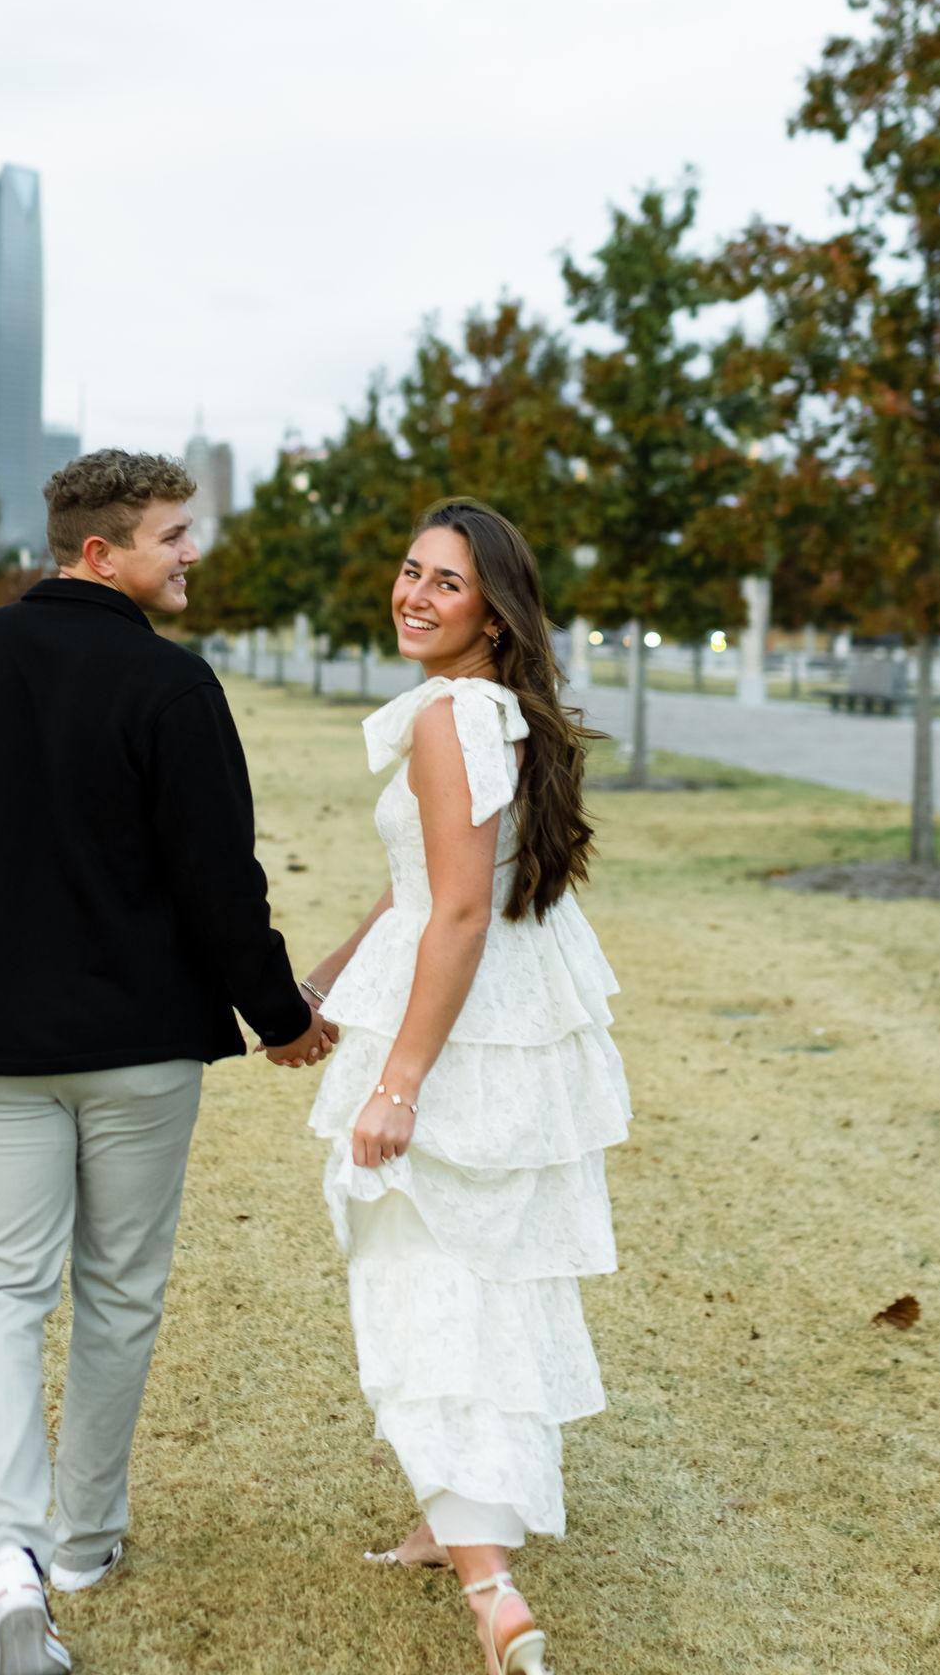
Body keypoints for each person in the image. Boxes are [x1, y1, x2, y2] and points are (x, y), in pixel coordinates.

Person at [0, 448, 336, 1675]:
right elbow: (219, 879)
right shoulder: (171, 684)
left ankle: (10, 1552)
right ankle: (81, 1542)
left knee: (1, 1295)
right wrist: (280, 1014)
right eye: (172, 534)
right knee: (118, 1290)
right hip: (138, 1049)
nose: (192, 552)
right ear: (100, 552)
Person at [302, 497, 627, 1675]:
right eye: (409, 571)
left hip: (456, 1036)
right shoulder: (498, 713)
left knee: (424, 1281)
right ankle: (453, 1523)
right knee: (480, 1269)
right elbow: (429, 884)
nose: (413, 594)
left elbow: (455, 912)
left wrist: (397, 1080)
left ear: (494, 612)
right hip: (496, 1022)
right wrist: (323, 982)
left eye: (446, 581)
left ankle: (492, 1587)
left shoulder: (450, 717)